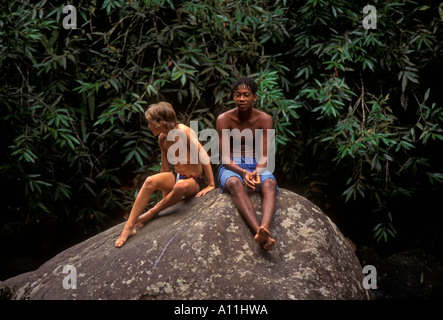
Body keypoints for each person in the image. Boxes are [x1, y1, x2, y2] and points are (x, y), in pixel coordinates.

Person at [115, 101, 215, 248]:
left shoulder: (184, 131)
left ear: (161, 122)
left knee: (180, 185)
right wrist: (165, 198)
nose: (149, 126)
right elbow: (165, 169)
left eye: (150, 123)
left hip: (192, 181)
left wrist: (211, 185)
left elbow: (204, 156)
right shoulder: (162, 138)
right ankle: (128, 227)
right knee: (149, 181)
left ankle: (153, 211)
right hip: (176, 176)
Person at [216, 77, 278, 250]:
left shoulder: (264, 119)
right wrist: (243, 173)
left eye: (246, 95)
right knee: (235, 183)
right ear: (233, 98)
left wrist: (257, 171)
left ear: (255, 97)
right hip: (232, 165)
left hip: (257, 163)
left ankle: (264, 228)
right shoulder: (224, 119)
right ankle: (259, 232)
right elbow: (225, 158)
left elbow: (265, 155)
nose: (241, 99)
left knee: (270, 183)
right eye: (237, 95)